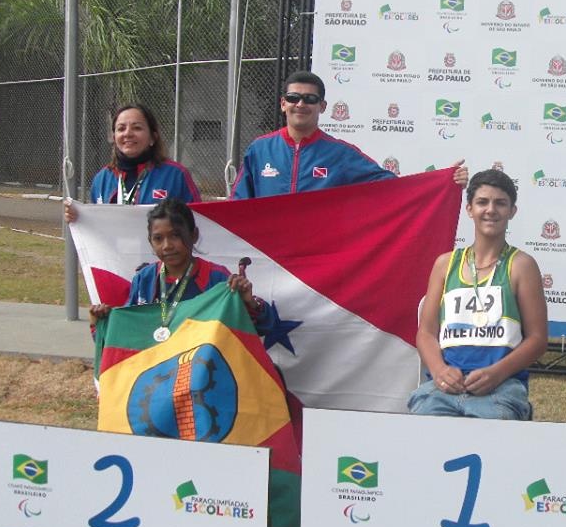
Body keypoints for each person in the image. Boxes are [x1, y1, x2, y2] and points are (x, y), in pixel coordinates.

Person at [408, 169, 547, 419]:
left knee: (492, 441)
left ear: (512, 211)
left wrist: (497, 373)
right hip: (444, 389)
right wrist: (439, 370)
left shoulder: (521, 265)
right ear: (469, 209)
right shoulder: (445, 264)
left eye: (500, 203)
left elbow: (537, 339)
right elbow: (426, 333)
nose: (491, 210)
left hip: (501, 388)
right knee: (422, 439)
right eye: (482, 202)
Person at [231, 70, 467, 198]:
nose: (301, 104)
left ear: (322, 107)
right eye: (294, 98)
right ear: (283, 104)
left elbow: (392, 188)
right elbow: (237, 205)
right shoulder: (260, 149)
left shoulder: (340, 154)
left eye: (310, 99)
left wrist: (443, 181)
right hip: (267, 255)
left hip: (314, 260)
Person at [88, 198, 263, 334]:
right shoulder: (144, 279)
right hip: (154, 371)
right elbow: (126, 332)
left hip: (202, 372)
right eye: (158, 239)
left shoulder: (217, 278)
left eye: (175, 235)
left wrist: (249, 304)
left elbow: (248, 331)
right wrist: (100, 322)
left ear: (194, 235)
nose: (167, 246)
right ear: (150, 242)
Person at [65, 104, 200, 221]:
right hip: (113, 251)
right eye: (121, 128)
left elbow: (198, 221)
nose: (128, 134)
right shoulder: (102, 179)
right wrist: (80, 218)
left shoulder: (176, 175)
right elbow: (97, 226)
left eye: (137, 128)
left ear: (153, 137)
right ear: (114, 137)